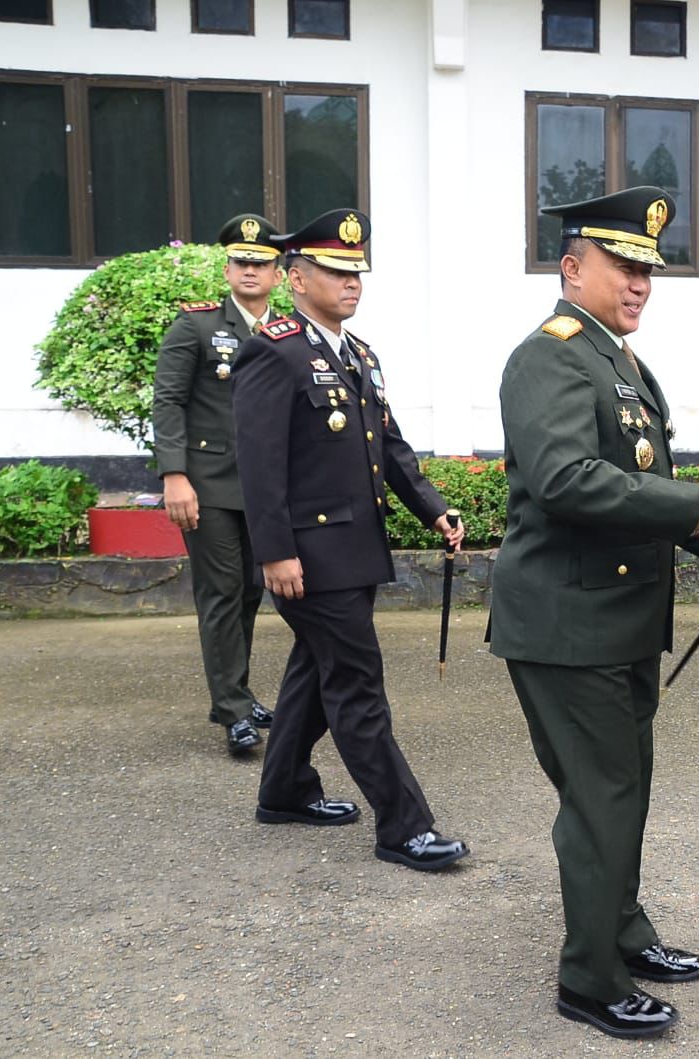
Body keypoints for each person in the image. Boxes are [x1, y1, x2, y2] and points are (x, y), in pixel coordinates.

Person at [488, 187, 699, 1041]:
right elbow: (569, 481)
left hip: (612, 622)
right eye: (624, 265)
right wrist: (697, 511)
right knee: (602, 798)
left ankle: (623, 931)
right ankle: (591, 979)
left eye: (650, 269)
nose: (641, 282)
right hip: (568, 627)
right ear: (572, 268)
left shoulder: (621, 363)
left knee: (621, 792)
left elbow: (641, 486)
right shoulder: (551, 357)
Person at [232, 209, 470, 871]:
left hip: (353, 554)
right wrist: (274, 551)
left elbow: (388, 449)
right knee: (358, 688)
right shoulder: (273, 351)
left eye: (356, 272)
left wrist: (435, 510)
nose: (350, 283)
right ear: (297, 277)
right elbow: (258, 463)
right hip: (307, 558)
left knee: (315, 671)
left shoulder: (359, 353)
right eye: (335, 271)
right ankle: (404, 826)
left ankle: (284, 790)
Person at [153, 214, 284, 755]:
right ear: (227, 268)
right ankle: (232, 710)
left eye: (261, 263)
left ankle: (236, 691)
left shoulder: (287, 330)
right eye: (241, 262)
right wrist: (174, 474)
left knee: (252, 592)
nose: (250, 270)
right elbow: (169, 401)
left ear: (279, 274)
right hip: (207, 485)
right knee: (222, 592)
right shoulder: (197, 326)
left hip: (266, 488)